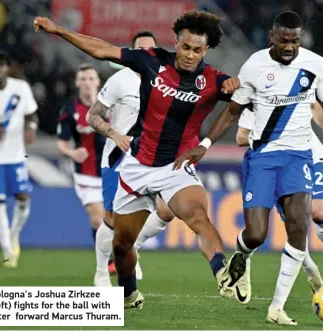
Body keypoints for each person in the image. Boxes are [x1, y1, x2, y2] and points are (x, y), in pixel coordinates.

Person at [33, 10, 243, 309]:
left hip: (176, 167)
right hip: (137, 166)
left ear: (206, 50)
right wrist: (59, 31)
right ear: (176, 42)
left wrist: (207, 141)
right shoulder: (152, 60)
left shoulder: (213, 80)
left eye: (197, 50)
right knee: (121, 245)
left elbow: (240, 104)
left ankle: (222, 271)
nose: (189, 55)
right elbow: (102, 48)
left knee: (198, 216)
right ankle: (129, 294)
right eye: (185, 47)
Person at [173, 11, 323, 325]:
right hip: (262, 159)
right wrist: (205, 145)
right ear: (272, 36)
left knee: (298, 225)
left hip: (298, 157)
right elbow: (231, 112)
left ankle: (277, 308)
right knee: (256, 234)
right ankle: (242, 254)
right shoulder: (254, 66)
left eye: (295, 41)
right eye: (284, 40)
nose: (290, 47)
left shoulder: (317, 65)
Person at [87, 30, 175, 287]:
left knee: (167, 211)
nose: (147, 54)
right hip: (118, 158)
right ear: (133, 52)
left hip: (152, 159)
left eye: (151, 49)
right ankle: (102, 272)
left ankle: (130, 248)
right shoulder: (119, 80)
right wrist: (113, 133)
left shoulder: (168, 80)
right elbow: (93, 116)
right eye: (141, 49)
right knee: (112, 219)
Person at [236, 102, 323, 293]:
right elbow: (241, 136)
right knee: (293, 223)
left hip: (310, 154)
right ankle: (310, 269)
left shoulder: (297, 87)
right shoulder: (257, 100)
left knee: (319, 211)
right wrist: (272, 139)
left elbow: (314, 107)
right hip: (275, 160)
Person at [56, 64, 115, 274]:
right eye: (83, 79)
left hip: (113, 172)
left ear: (98, 82)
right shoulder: (70, 110)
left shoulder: (111, 105)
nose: (87, 83)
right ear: (77, 83)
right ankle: (108, 262)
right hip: (86, 175)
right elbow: (61, 142)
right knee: (97, 217)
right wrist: (72, 153)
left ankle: (121, 256)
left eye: (91, 78)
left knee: (115, 221)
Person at [0, 51, 38, 268]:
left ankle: (13, 233)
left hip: (16, 155)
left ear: (8, 68)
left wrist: (31, 128)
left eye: (2, 65)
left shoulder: (21, 88)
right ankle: (7, 249)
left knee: (23, 198)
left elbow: (32, 113)